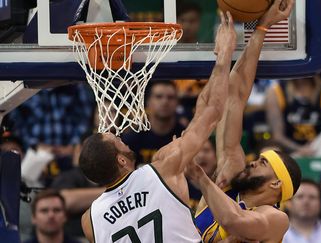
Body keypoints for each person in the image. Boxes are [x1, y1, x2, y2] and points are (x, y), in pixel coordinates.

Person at [78, 10, 236, 243]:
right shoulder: (163, 170)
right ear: (121, 160)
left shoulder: (89, 220)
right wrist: (224, 55)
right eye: (117, 140)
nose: (121, 137)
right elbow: (211, 113)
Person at [191, 1, 302, 242]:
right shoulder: (226, 184)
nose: (252, 163)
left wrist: (201, 179)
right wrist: (260, 29)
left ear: (276, 184)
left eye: (263, 162)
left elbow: (234, 221)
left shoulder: (276, 218)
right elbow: (235, 96)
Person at [121, 80, 185, 164]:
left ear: (177, 102)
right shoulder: (131, 140)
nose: (165, 102)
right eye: (159, 97)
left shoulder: (185, 136)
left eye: (170, 97)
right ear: (148, 102)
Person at [265, 77, 321, 156]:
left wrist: (317, 147)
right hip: (288, 151)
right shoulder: (276, 91)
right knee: (271, 151)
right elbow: (277, 136)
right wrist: (300, 149)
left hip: (318, 148)